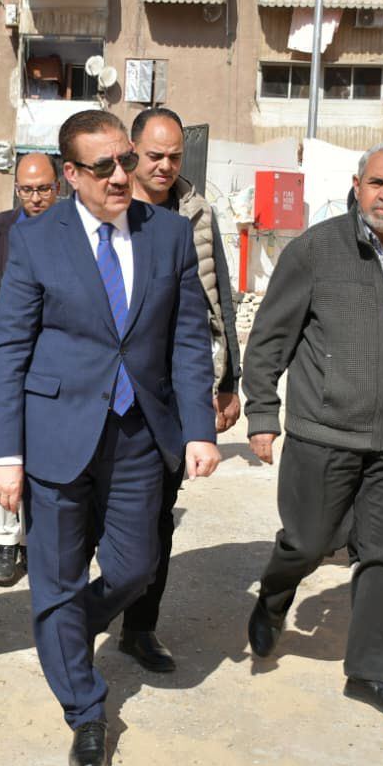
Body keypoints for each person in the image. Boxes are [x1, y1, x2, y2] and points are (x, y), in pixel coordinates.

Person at [0, 110, 219, 766]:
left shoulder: (168, 234)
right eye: (104, 167)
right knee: (57, 577)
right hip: (56, 433)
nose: (122, 176)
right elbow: (11, 349)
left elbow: (187, 339)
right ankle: (86, 712)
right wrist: (6, 455)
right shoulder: (37, 239)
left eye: (126, 160)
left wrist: (198, 428)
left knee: (135, 567)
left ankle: (64, 623)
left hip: (139, 433)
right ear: (71, 174)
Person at [242, 141, 383, 721]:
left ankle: (371, 674)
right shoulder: (315, 250)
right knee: (308, 541)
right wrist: (262, 414)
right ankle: (274, 595)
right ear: (357, 184)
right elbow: (269, 339)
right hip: (322, 433)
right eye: (377, 183)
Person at [121, 106, 243, 674]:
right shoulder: (106, 204)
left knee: (157, 514)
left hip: (174, 389)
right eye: (155, 156)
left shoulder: (196, 212)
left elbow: (220, 299)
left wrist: (228, 381)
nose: (166, 166)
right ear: (132, 152)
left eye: (174, 157)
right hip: (113, 386)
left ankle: (140, 626)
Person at [0, 152, 59, 586]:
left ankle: (33, 540)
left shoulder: (71, 229)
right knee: (4, 449)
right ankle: (5, 542)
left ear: (58, 187)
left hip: (54, 360)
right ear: (16, 189)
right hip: (6, 355)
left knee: (45, 451)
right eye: (27, 189)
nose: (36, 197)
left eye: (43, 189)